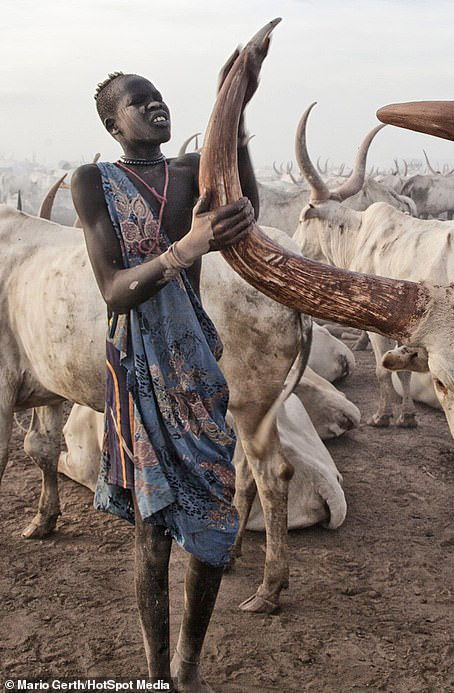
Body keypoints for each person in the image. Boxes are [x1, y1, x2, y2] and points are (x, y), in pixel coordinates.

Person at [71, 49, 263, 692]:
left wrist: (234, 112)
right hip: (138, 371)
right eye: (137, 100)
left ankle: (189, 665)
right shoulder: (93, 182)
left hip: (195, 371)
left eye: (158, 96)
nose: (155, 104)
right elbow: (114, 290)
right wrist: (186, 247)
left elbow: (241, 209)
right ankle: (156, 674)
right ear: (113, 124)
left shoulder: (190, 172)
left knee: (212, 526)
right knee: (152, 537)